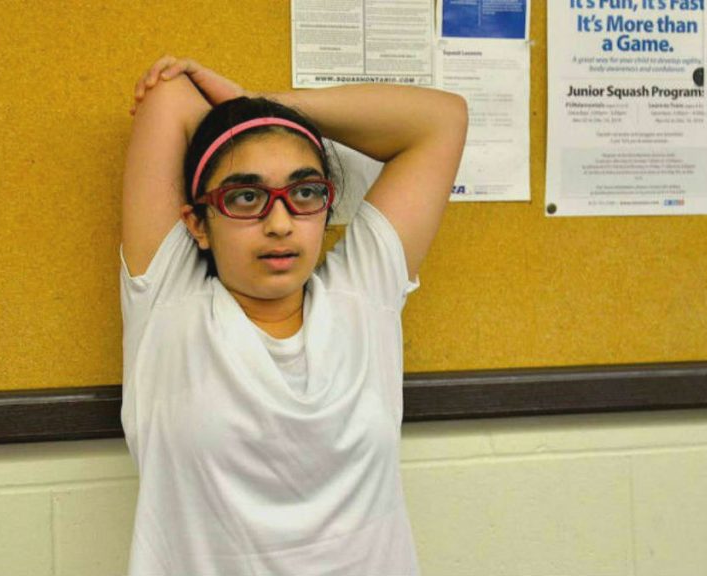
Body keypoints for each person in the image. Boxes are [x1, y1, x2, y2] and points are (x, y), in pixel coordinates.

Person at [120, 56, 467, 575]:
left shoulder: (362, 296)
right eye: (245, 196)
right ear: (197, 224)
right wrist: (249, 117)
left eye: (304, 193)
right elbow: (170, 96)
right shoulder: (169, 305)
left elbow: (441, 118)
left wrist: (266, 105)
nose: (279, 223)